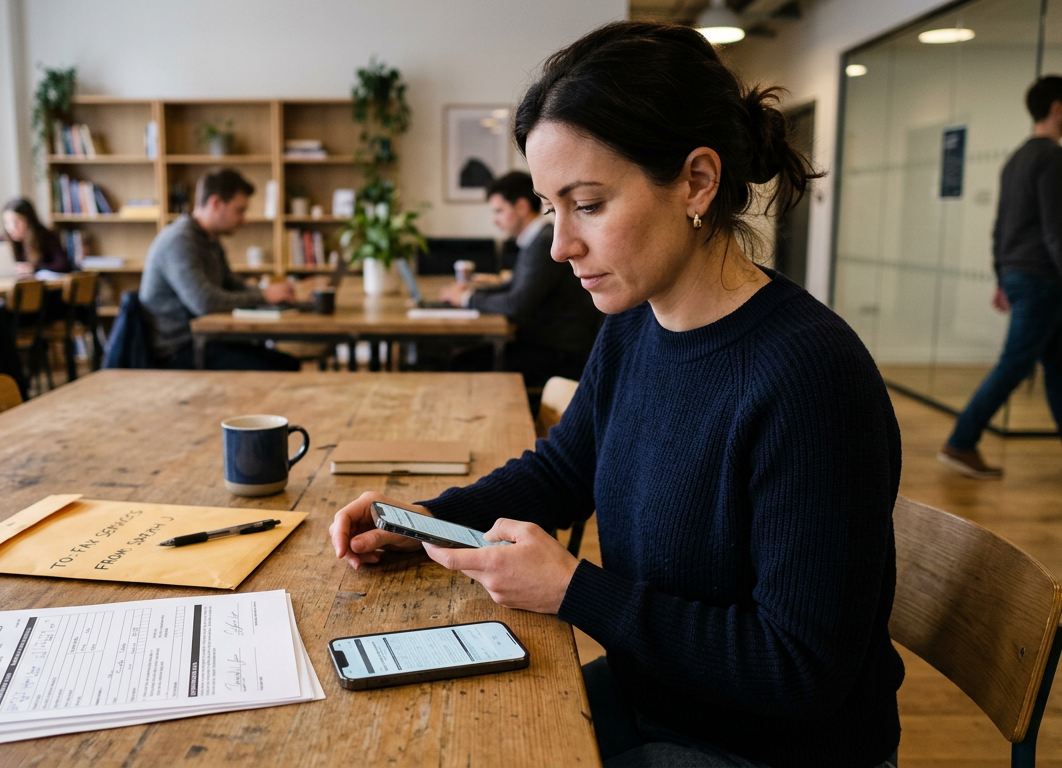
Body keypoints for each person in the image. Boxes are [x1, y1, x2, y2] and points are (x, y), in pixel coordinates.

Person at [331, 21, 902, 768]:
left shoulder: (810, 377)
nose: (562, 244)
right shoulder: (638, 323)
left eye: (589, 204)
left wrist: (575, 589)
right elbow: (566, 471)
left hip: (765, 748)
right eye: (548, 208)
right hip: (660, 701)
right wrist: (431, 519)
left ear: (697, 182)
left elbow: (797, 670)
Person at [940, 76, 1062, 478]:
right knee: (1015, 363)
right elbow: (1056, 230)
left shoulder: (1018, 158)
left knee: (1060, 364)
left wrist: (1000, 276)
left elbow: (1002, 226)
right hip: (1040, 279)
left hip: (1021, 274)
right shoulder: (1055, 158)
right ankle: (961, 442)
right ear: (1057, 108)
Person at [440, 171, 604, 392]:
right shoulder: (536, 238)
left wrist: (467, 298)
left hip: (559, 354)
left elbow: (515, 304)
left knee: (462, 362)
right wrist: (471, 291)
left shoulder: (544, 242)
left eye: (499, 211)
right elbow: (514, 286)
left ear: (522, 207)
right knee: (464, 356)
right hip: (550, 345)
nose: (494, 220)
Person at [139, 168, 298, 370]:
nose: (244, 219)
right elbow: (204, 302)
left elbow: (231, 285)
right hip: (181, 352)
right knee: (281, 368)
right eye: (239, 210)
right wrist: (265, 296)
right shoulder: (179, 241)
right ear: (215, 203)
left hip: (206, 342)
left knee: (286, 363)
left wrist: (272, 294)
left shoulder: (210, 239)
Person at [0, 197, 73, 275]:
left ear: (28, 221)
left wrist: (35, 268)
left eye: (16, 222)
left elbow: (64, 266)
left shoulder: (46, 237)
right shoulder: (3, 240)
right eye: (7, 222)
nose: (11, 228)